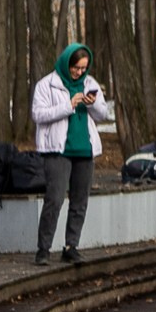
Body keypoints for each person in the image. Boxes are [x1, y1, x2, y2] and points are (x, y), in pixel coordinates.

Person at [29, 42, 111, 266]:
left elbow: (103, 113)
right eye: (76, 68)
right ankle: (43, 249)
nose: (80, 72)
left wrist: (92, 104)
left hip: (85, 150)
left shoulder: (89, 83)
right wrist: (69, 104)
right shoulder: (47, 84)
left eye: (84, 68)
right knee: (54, 199)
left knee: (80, 200)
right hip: (58, 150)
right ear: (67, 63)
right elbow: (38, 114)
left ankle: (71, 246)